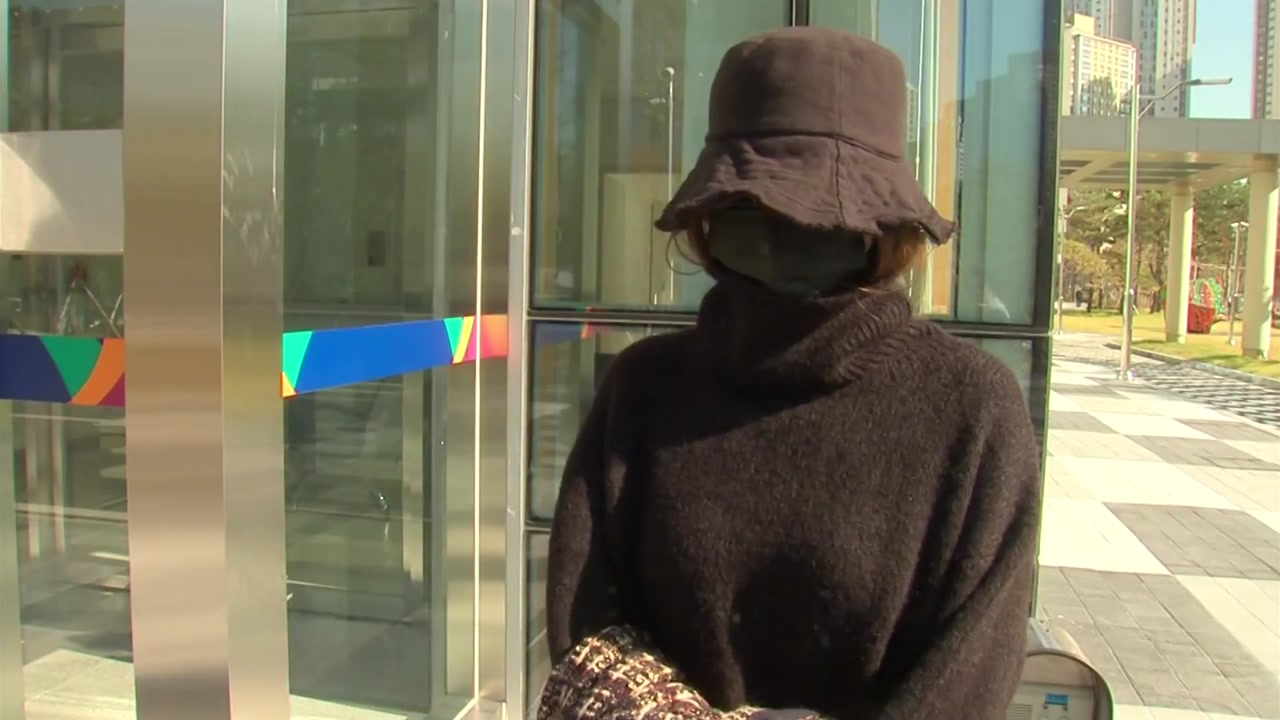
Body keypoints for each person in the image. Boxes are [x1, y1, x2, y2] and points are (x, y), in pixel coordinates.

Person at [545, 27, 1041, 720]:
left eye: (823, 213)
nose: (783, 228)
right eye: (748, 205)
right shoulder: (643, 390)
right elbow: (588, 633)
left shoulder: (971, 408)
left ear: (885, 229)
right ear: (708, 217)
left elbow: (970, 673)